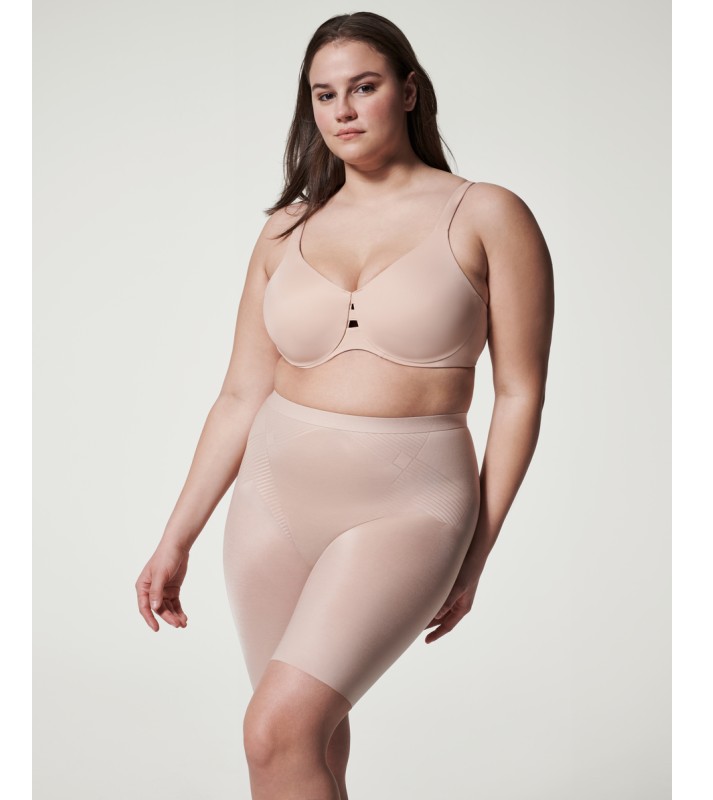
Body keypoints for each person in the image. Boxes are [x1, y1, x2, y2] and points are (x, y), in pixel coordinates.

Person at [135, 10, 554, 799]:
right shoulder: (285, 230)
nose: (343, 111)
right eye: (324, 95)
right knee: (307, 740)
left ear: (409, 92)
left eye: (364, 87)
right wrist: (175, 537)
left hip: (409, 507)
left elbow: (519, 392)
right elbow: (240, 394)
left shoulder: (488, 214)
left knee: (274, 731)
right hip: (270, 504)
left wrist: (479, 549)